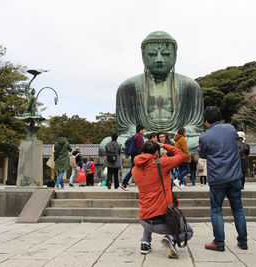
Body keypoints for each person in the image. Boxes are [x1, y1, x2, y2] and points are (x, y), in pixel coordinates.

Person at [100, 31, 204, 154]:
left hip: (177, 138)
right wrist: (145, 134)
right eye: (152, 54)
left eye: (166, 54)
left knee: (202, 141)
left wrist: (176, 133)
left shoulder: (190, 86)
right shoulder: (128, 86)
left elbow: (195, 125)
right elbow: (126, 127)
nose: (159, 59)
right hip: (145, 138)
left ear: (174, 56)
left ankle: (157, 149)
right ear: (143, 56)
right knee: (106, 143)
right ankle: (163, 149)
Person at [132, 140, 193, 259]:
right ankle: (169, 238)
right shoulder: (162, 163)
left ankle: (145, 242)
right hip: (163, 220)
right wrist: (163, 145)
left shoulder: (134, 169)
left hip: (144, 219)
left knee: (150, 209)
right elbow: (182, 155)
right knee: (189, 232)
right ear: (156, 153)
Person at [199, 106, 247, 252]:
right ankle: (243, 241)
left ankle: (219, 242)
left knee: (216, 210)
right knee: (238, 209)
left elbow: (202, 155)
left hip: (217, 177)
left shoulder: (204, 136)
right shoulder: (230, 129)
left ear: (206, 121)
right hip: (234, 175)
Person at [120, 124, 145, 191]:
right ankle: (124, 183)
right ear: (140, 130)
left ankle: (126, 183)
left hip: (134, 155)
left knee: (135, 170)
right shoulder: (139, 136)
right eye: (143, 129)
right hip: (137, 156)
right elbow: (140, 147)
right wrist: (141, 156)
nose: (144, 131)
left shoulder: (135, 136)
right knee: (134, 170)